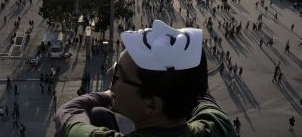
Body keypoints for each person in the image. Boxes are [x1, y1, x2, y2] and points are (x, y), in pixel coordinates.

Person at [54, 20, 235, 137]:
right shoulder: (219, 126)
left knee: (98, 115)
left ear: (151, 105)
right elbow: (198, 93)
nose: (110, 73)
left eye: (118, 73)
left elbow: (69, 112)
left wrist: (109, 95)